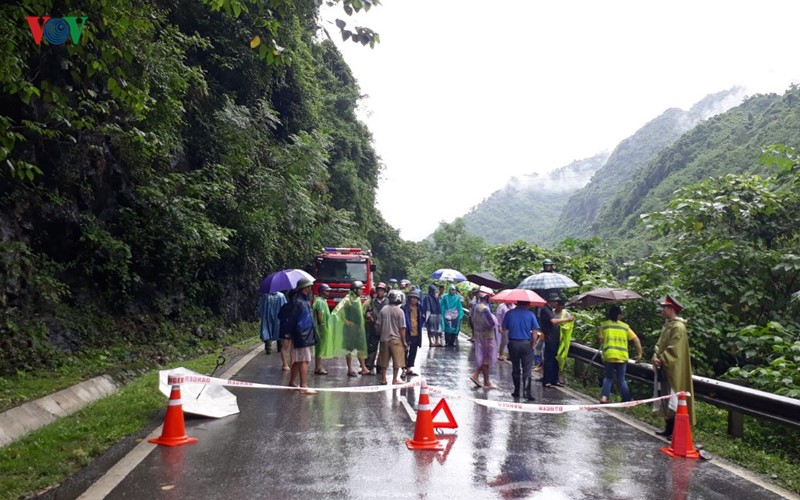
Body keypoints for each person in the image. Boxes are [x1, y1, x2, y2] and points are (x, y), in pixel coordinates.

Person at [653, 295, 695, 438]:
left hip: (674, 368)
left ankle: (677, 430)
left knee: (675, 398)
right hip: (664, 367)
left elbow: (674, 349)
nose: (662, 311)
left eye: (664, 308)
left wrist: (662, 358)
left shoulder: (678, 327)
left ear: (670, 309)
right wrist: (655, 357)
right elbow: (659, 344)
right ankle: (668, 427)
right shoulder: (668, 325)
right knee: (665, 396)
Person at [598, 305, 643, 403]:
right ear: (619, 315)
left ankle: (604, 397)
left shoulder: (604, 325)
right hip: (622, 356)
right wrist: (639, 354)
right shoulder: (625, 327)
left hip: (609, 355)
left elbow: (601, 341)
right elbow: (635, 339)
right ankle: (626, 400)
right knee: (621, 379)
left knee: (609, 377)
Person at [502, 300, 541, 401]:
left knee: (515, 368)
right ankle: (526, 393)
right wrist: (533, 344)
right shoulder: (531, 315)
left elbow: (504, 329)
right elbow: (535, 332)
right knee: (527, 369)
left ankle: (516, 391)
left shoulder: (509, 313)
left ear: (516, 303)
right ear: (527, 304)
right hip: (526, 344)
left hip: (513, 343)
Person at [330, 280, 370, 377]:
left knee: (360, 347)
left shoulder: (357, 299)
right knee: (349, 349)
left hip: (358, 329)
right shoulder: (347, 299)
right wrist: (346, 321)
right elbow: (337, 311)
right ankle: (350, 369)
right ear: (355, 289)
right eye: (360, 289)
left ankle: (363, 368)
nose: (362, 291)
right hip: (349, 329)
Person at [287, 278, 318, 395]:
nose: (310, 289)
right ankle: (304, 386)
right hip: (302, 335)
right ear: (304, 289)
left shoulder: (301, 301)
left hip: (303, 334)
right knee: (304, 360)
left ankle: (292, 382)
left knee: (298, 360)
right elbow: (300, 321)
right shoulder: (300, 303)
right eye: (308, 287)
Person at [539, 293, 575, 388]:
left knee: (555, 359)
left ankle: (554, 379)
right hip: (550, 337)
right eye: (555, 301)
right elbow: (553, 321)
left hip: (555, 338)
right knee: (549, 359)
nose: (556, 303)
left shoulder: (549, 310)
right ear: (550, 301)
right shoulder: (545, 310)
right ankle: (547, 380)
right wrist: (567, 319)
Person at [376, 290, 407, 384]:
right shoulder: (400, 311)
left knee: (384, 361)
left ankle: (383, 379)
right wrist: (404, 341)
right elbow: (402, 328)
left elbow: (378, 325)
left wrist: (380, 335)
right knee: (397, 360)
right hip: (396, 339)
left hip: (384, 339)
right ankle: (395, 379)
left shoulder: (383, 309)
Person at [469, 291, 498, 389]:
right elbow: (491, 323)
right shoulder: (485, 309)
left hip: (479, 336)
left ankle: (482, 379)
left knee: (485, 357)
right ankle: (480, 377)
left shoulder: (476, 307)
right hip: (488, 336)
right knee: (487, 358)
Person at [364, 282, 389, 374]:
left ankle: (381, 366)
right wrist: (368, 315)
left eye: (381, 291)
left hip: (384, 328)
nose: (379, 292)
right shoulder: (372, 302)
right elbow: (367, 312)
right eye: (378, 290)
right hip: (373, 327)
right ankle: (368, 365)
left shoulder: (388, 302)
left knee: (384, 349)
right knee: (371, 347)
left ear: (385, 292)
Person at [402, 289, 424, 377]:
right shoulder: (404, 308)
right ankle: (403, 368)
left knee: (413, 351)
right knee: (404, 350)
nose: (414, 300)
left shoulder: (419, 308)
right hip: (407, 332)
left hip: (416, 332)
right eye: (413, 298)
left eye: (416, 298)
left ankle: (409, 368)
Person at [554, 298, 576, 385]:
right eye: (558, 305)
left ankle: (560, 375)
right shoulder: (551, 312)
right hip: (552, 337)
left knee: (561, 358)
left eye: (561, 306)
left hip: (562, 339)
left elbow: (568, 326)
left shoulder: (566, 314)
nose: (559, 307)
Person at [312, 284, 332, 375]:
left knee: (320, 348)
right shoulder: (320, 301)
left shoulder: (322, 300)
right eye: (326, 290)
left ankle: (318, 366)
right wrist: (322, 325)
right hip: (321, 328)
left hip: (322, 327)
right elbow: (320, 314)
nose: (328, 292)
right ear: (322, 291)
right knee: (320, 348)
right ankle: (318, 367)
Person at [258, 290, 286, 354]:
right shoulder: (281, 296)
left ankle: (268, 348)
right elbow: (285, 306)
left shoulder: (265, 296)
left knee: (267, 330)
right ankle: (280, 347)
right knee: (279, 330)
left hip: (267, 317)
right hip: (278, 317)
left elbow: (261, 306)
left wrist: (261, 314)